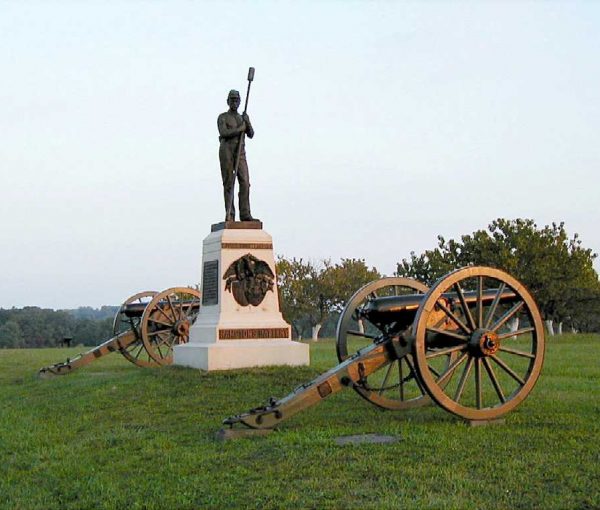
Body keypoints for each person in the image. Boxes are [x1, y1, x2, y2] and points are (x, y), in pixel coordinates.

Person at [217, 89, 255, 221]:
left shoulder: (242, 117)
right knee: (229, 182)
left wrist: (247, 122)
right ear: (228, 101)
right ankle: (230, 214)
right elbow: (224, 133)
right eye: (232, 100)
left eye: (236, 100)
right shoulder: (223, 117)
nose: (234, 102)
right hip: (227, 150)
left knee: (245, 182)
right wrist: (240, 129)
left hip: (240, 152)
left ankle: (245, 213)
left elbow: (251, 134)